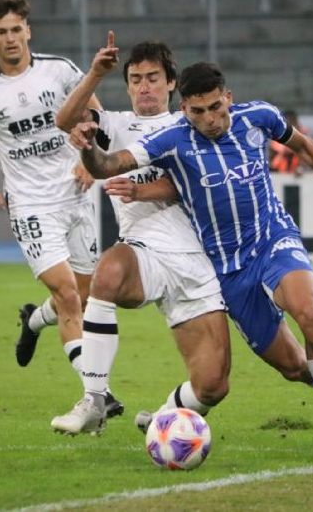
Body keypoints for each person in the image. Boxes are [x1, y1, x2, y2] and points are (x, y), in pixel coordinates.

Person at [72, 60, 313, 457]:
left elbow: (301, 144)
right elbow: (109, 165)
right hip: (228, 270)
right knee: (295, 367)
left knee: (310, 313)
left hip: (272, 240)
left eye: (216, 107)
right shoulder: (171, 140)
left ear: (228, 98)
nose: (210, 119)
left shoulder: (259, 117)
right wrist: (90, 148)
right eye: (198, 111)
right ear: (184, 109)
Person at [48, 34, 232, 435]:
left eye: (152, 77)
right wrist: (95, 81)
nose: (143, 86)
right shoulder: (115, 124)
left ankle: (164, 417)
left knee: (213, 384)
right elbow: (66, 123)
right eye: (135, 79)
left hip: (195, 262)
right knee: (108, 272)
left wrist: (143, 189)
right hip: (142, 251)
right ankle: (94, 399)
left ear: (171, 83)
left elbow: (199, 181)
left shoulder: (192, 123)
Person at [0, 0, 123, 421]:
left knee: (83, 296)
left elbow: (95, 115)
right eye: (1, 32)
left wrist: (93, 160)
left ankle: (33, 322)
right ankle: (99, 393)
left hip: (75, 195)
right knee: (69, 296)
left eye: (16, 29)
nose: (10, 38)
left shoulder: (60, 70)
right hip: (30, 204)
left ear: (27, 31)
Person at [269, 110, 307, 175]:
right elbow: (272, 156)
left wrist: (301, 168)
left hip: (299, 173)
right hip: (278, 173)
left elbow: (307, 156)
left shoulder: (303, 135)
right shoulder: (276, 136)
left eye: (292, 122)